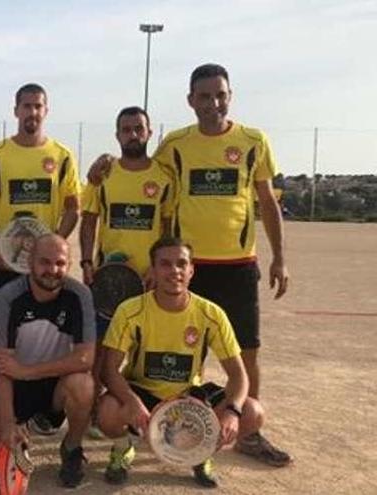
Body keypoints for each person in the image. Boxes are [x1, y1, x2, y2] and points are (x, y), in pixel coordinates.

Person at [87, 64, 291, 466]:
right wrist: (104, 164)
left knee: (246, 349)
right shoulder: (176, 145)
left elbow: (267, 202)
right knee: (152, 341)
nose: (212, 103)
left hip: (237, 263)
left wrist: (280, 257)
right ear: (190, 101)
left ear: (230, 95)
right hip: (183, 265)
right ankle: (130, 416)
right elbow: (138, 165)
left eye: (220, 95)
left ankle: (246, 431)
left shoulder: (253, 140)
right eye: (204, 96)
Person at [97, 237, 269, 488]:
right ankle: (124, 446)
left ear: (191, 270)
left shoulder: (211, 314)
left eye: (181, 264)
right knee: (107, 412)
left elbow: (238, 375)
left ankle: (201, 453)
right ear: (153, 270)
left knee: (252, 412)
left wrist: (232, 412)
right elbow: (109, 370)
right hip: (144, 393)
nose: (174, 271)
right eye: (165, 264)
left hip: (190, 398)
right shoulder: (130, 310)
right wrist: (133, 403)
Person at [0, 83, 81, 432]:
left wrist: (54, 249)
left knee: (47, 333)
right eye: (26, 106)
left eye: (38, 106)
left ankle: (43, 407)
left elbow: (72, 208)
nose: (32, 112)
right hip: (1, 263)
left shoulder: (61, 156)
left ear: (46, 111)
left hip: (42, 269)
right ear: (15, 110)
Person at [78, 106, 174, 426]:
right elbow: (89, 221)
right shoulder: (104, 175)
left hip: (149, 282)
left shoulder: (163, 177)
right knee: (100, 353)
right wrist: (88, 261)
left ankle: (143, 413)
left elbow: (170, 227)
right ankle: (93, 415)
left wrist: (157, 269)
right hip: (109, 281)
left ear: (149, 133)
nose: (133, 134)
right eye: (126, 129)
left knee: (145, 351)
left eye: (138, 129)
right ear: (117, 135)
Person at [0, 234, 96, 488]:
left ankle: (72, 448)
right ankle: (16, 435)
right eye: (44, 262)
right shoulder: (9, 296)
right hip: (16, 382)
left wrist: (28, 371)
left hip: (53, 385)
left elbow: (85, 358)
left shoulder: (80, 295)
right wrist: (8, 424)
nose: (52, 270)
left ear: (70, 264)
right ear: (30, 261)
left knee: (83, 386)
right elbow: (1, 367)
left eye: (60, 263)